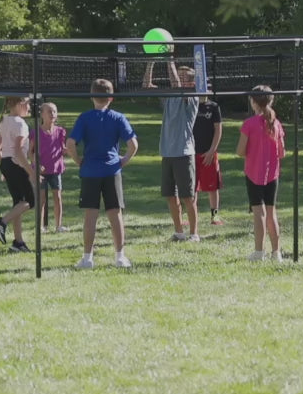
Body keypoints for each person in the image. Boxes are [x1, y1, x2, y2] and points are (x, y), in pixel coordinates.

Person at [66, 79, 139, 269]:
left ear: (91, 96)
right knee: (115, 214)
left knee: (91, 215)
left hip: (90, 170)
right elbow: (133, 145)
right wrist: (123, 160)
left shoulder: (84, 118)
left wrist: (78, 160)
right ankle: (120, 257)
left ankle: (88, 258)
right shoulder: (118, 117)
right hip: (111, 170)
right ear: (111, 97)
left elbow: (70, 143)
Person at [145, 61, 201, 242]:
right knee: (170, 195)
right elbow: (146, 86)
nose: (176, 80)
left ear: (191, 84)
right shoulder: (169, 95)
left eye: (182, 77)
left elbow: (177, 85)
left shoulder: (192, 96)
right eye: (177, 76)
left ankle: (194, 234)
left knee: (188, 197)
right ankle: (179, 232)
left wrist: (169, 61)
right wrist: (150, 62)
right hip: (167, 153)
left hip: (184, 153)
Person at [237, 85, 286, 261]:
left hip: (253, 173)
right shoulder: (276, 123)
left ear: (253, 101)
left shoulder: (249, 124)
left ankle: (259, 252)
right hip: (273, 175)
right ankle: (276, 252)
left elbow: (240, 151)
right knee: (272, 213)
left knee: (259, 213)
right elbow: (282, 153)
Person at [0, 96, 35, 252]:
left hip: (6, 163)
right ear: (19, 104)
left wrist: (3, 168)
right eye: (28, 104)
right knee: (30, 201)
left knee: (18, 203)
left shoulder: (4, 121)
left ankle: (18, 242)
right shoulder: (20, 123)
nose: (30, 107)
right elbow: (17, 151)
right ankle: (2, 222)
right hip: (16, 164)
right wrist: (31, 172)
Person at [34, 102, 69, 233]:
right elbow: (30, 152)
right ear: (42, 114)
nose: (52, 114)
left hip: (55, 169)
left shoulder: (60, 131)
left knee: (57, 197)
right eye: (49, 111)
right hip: (41, 171)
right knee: (41, 199)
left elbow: (63, 148)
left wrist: (71, 150)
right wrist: (36, 164)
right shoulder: (36, 132)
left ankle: (58, 225)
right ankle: (41, 226)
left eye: (54, 111)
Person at [193, 89, 225, 226]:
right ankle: (191, 216)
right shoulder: (190, 105)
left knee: (212, 187)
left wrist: (212, 151)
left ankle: (215, 216)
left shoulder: (213, 107)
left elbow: (218, 129)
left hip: (209, 153)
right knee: (191, 187)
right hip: (191, 153)